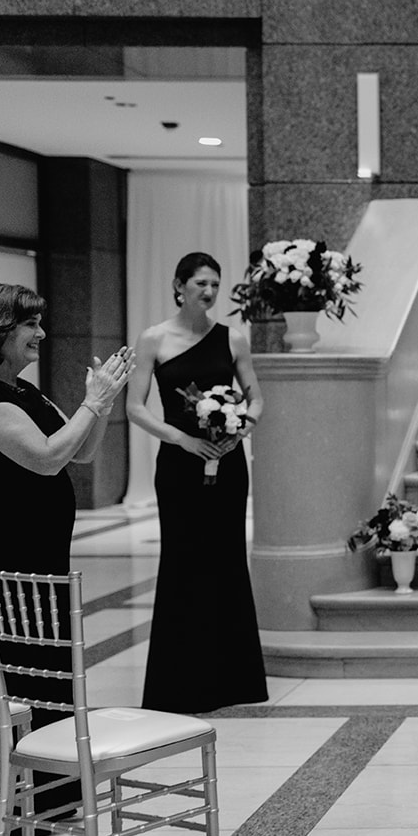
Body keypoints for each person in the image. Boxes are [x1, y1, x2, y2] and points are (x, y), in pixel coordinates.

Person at [0, 283, 134, 836]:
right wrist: (92, 401)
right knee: (15, 671)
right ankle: (2, 808)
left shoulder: (23, 391)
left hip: (41, 560)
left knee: (45, 665)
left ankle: (51, 795)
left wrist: (103, 401)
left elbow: (80, 452)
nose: (41, 334)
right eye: (30, 326)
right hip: (5, 562)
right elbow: (44, 460)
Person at [125, 252, 269, 713]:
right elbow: (135, 408)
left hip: (227, 461)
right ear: (179, 284)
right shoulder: (153, 339)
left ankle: (234, 681)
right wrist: (183, 440)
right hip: (179, 463)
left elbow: (257, 398)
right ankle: (179, 685)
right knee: (184, 561)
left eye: (215, 285)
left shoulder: (234, 338)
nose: (209, 292)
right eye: (201, 283)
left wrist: (239, 429)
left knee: (226, 559)